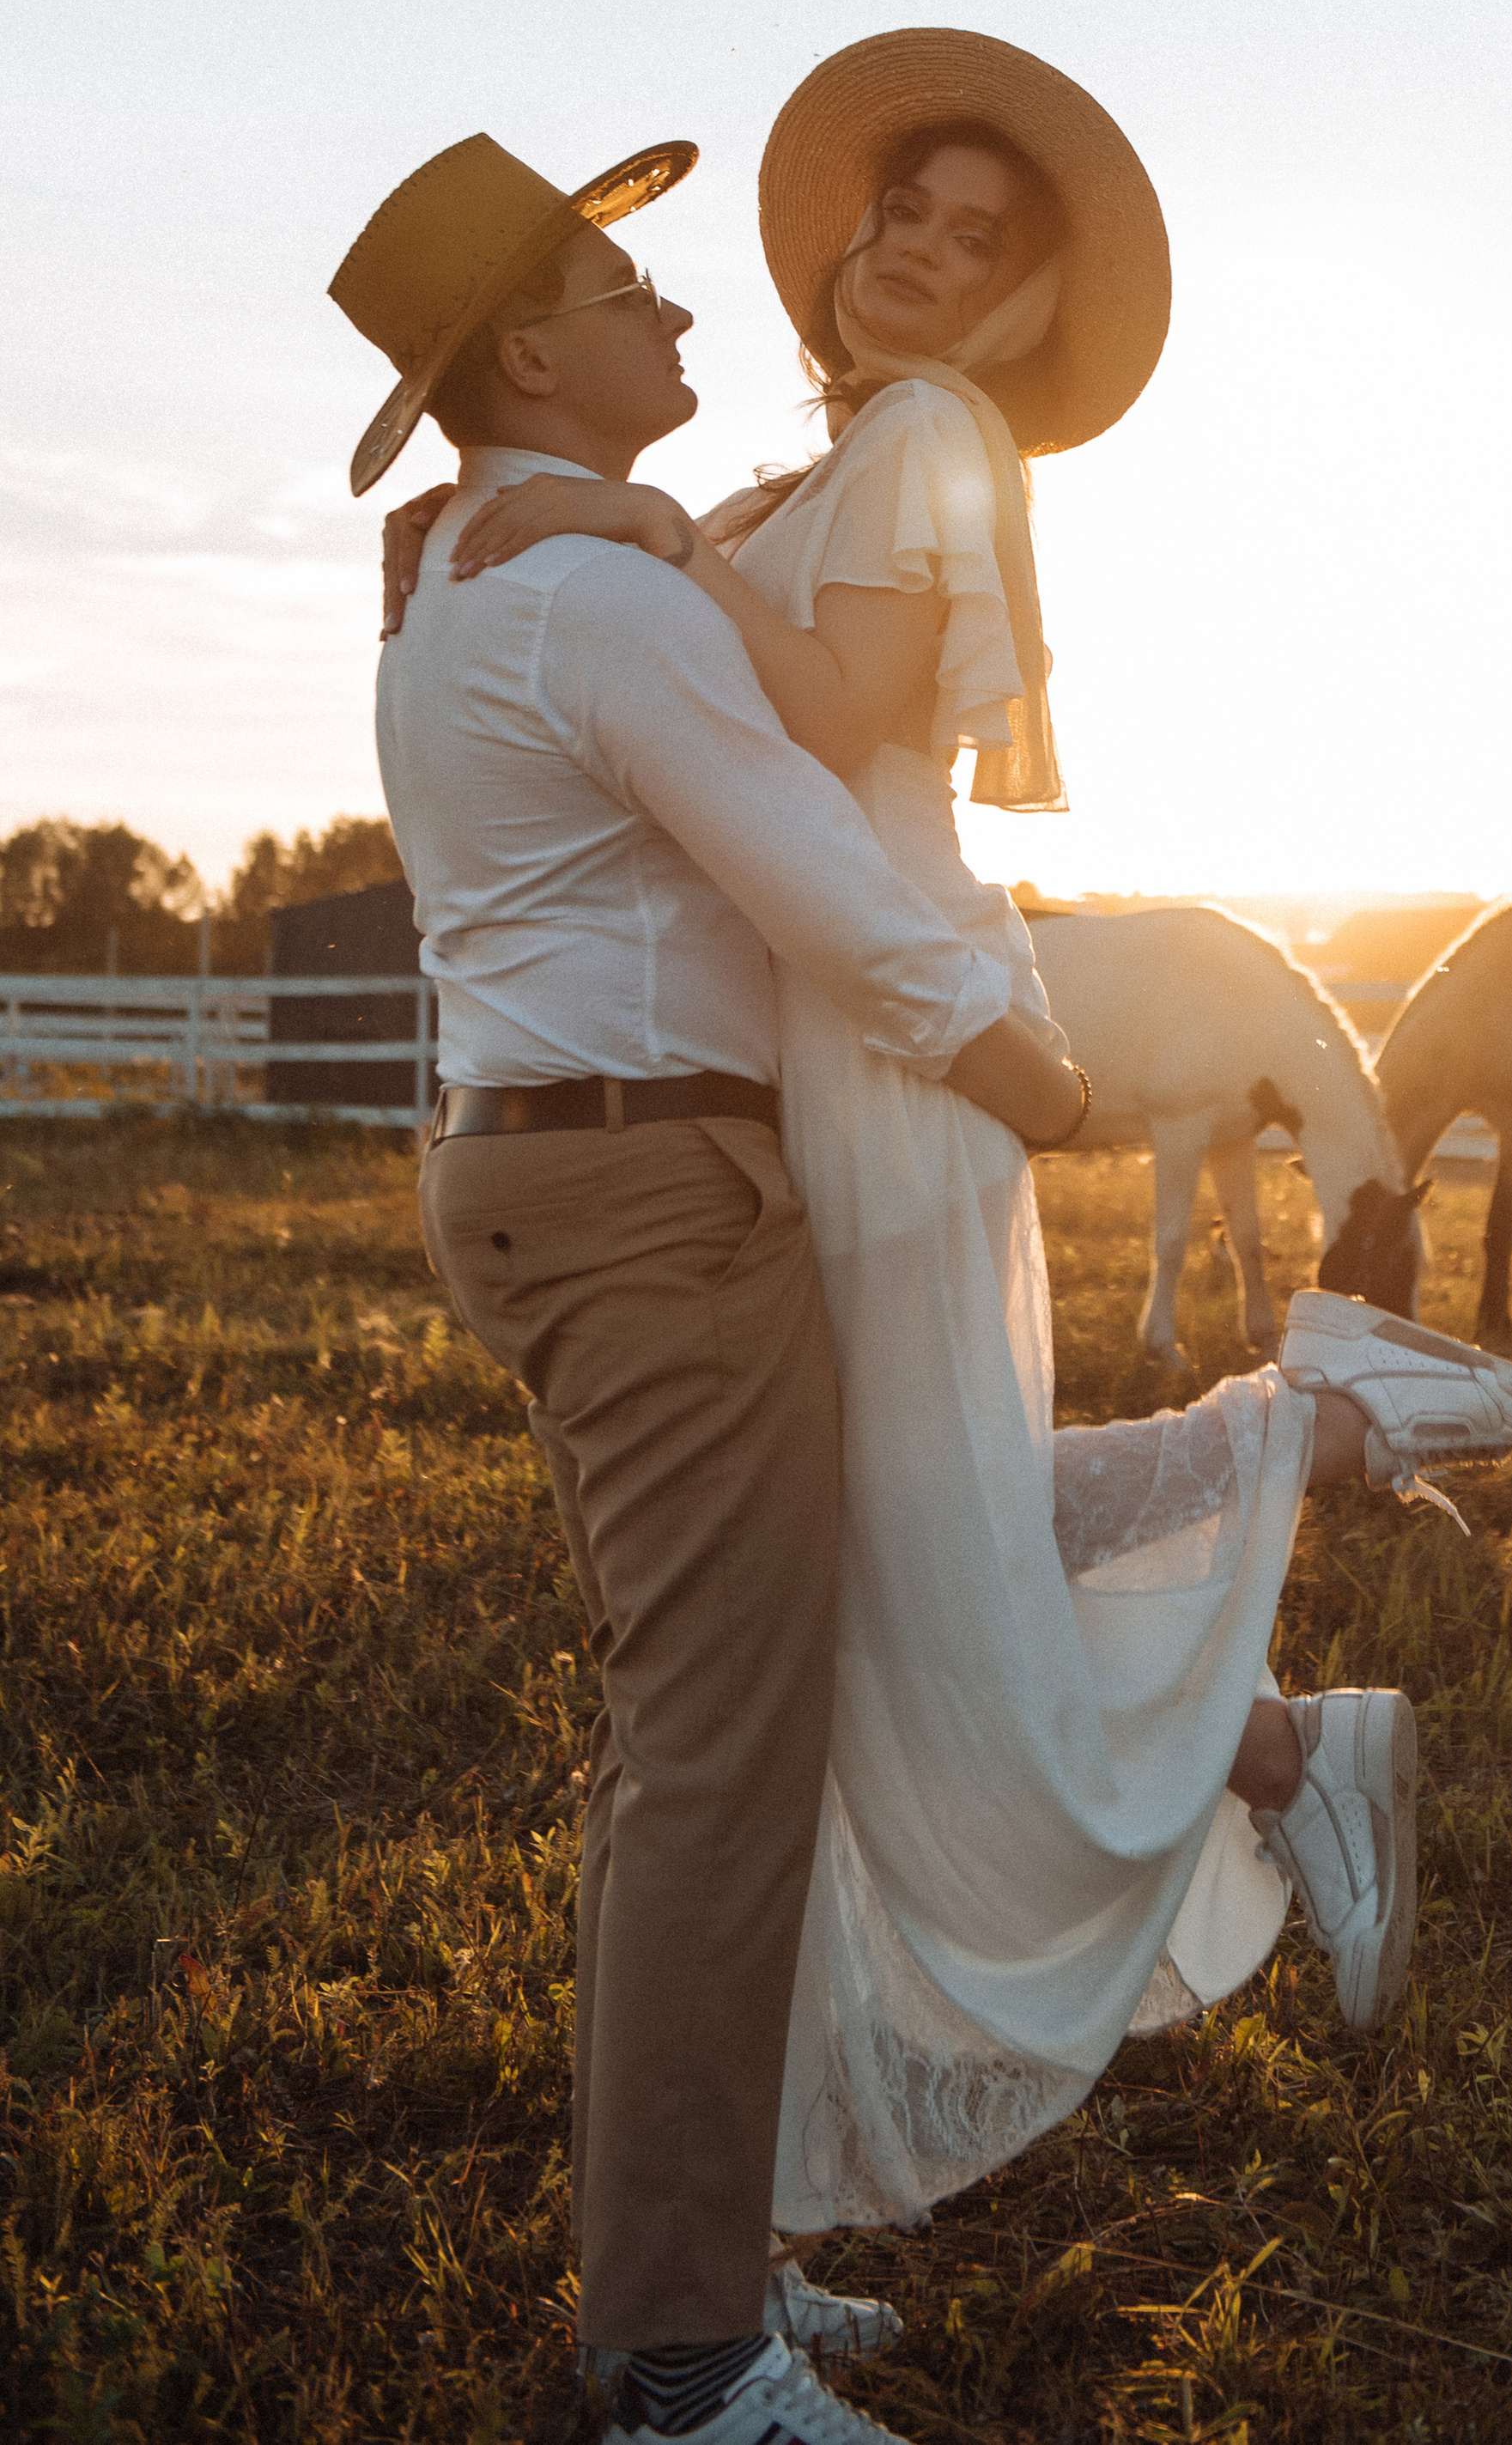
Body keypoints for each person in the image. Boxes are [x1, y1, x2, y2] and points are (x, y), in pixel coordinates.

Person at [380, 34, 1512, 2343]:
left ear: (1037, 319)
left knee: (890, 1542)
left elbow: (841, 728)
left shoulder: (930, 441)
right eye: (905, 217)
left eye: (982, 240)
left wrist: (638, 527)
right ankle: (1297, 1561)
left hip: (889, 1024)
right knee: (885, 1525)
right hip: (835, 1038)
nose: (919, 256)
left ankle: (1282, 1618)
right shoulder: (822, 455)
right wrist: (567, 530)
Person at [338, 124, 1084, 2445]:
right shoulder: (593, 595)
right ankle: (680, 2363)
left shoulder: (509, 569)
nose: (680, 314)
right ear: (537, 350)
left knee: (697, 1748)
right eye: (623, 290)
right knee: (720, 1772)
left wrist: (672, 519)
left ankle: (689, 2263)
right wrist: (1012, 1055)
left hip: (567, 1170)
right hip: (653, 1191)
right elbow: (797, 857)